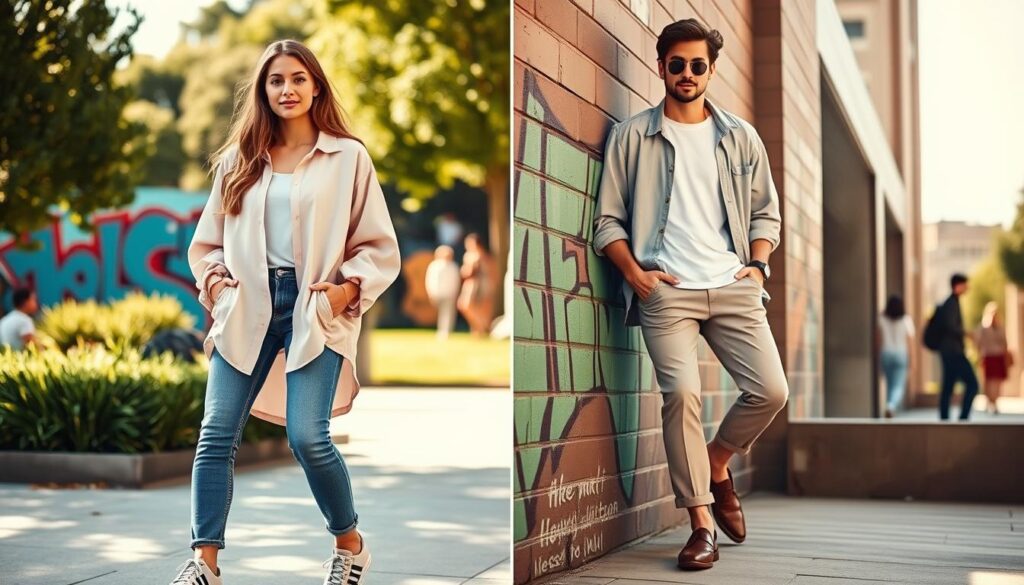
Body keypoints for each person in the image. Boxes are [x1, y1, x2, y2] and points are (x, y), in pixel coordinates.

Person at [174, 40, 400, 585]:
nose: (287, 90)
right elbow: (207, 244)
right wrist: (217, 283)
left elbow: (378, 244)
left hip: (314, 307)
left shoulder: (348, 157)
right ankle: (204, 562)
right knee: (215, 434)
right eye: (276, 81)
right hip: (246, 305)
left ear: (316, 85)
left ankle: (350, 545)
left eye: (298, 79)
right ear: (263, 91)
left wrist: (348, 291)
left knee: (308, 437)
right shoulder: (238, 160)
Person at [592, 19, 787, 571]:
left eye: (697, 65)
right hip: (666, 291)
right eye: (676, 64)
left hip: (732, 284)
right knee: (681, 395)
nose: (686, 73)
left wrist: (757, 266)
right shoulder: (632, 136)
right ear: (661, 67)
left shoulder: (741, 136)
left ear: (711, 70)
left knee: (771, 391)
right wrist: (636, 275)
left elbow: (766, 212)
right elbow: (607, 220)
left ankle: (716, 464)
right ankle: (701, 523)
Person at [935, 273, 979, 421]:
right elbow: (950, 326)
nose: (968, 288)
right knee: (973, 384)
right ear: (958, 285)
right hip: (953, 352)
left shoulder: (952, 302)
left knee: (948, 386)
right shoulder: (951, 303)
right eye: (965, 284)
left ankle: (945, 418)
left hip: (949, 351)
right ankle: (963, 417)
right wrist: (967, 333)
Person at [877, 295, 914, 418]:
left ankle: (889, 406)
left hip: (886, 353)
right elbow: (910, 342)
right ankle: (891, 406)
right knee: (898, 385)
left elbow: (878, 340)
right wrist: (912, 360)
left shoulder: (882, 319)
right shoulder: (906, 320)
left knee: (889, 384)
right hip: (901, 354)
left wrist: (878, 357)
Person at [974, 301, 1012, 414]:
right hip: (988, 356)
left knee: (997, 381)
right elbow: (978, 342)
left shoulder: (1000, 327)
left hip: (998, 356)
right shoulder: (983, 327)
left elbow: (1005, 343)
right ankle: (989, 401)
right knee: (988, 381)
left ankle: (994, 402)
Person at [457, 233, 496, 336]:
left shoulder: (476, 256)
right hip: (476, 284)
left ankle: (482, 327)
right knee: (469, 306)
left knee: (468, 305)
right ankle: (479, 328)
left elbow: (469, 272)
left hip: (475, 284)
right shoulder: (476, 255)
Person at [425, 245, 462, 340]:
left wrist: (455, 292)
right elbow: (430, 280)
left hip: (450, 293)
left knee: (448, 313)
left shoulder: (453, 266)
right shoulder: (434, 266)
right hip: (438, 293)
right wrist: (431, 293)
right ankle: (442, 331)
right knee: (442, 313)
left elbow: (456, 280)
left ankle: (445, 332)